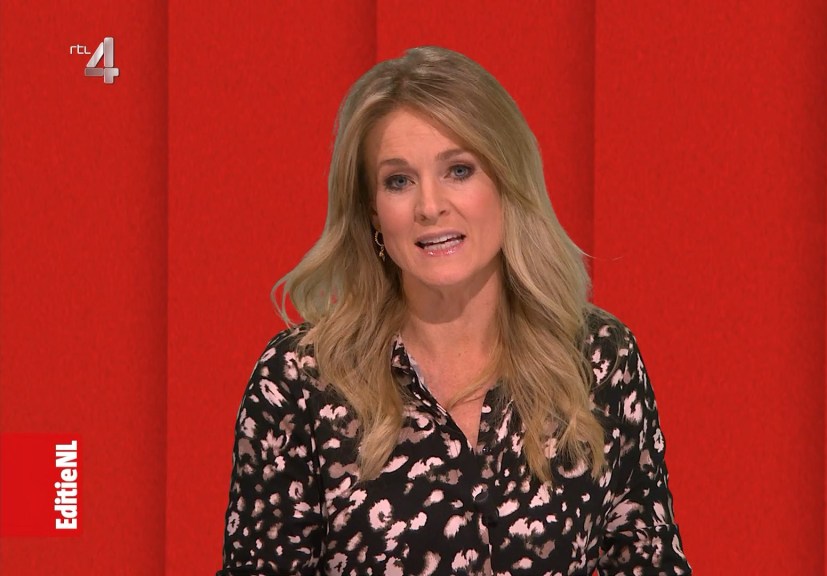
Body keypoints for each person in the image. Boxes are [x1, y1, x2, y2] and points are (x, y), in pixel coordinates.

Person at [218, 46, 692, 576]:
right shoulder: (300, 381)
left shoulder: (599, 361)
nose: (429, 206)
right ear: (373, 212)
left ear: (507, 184)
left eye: (459, 170)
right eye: (399, 181)